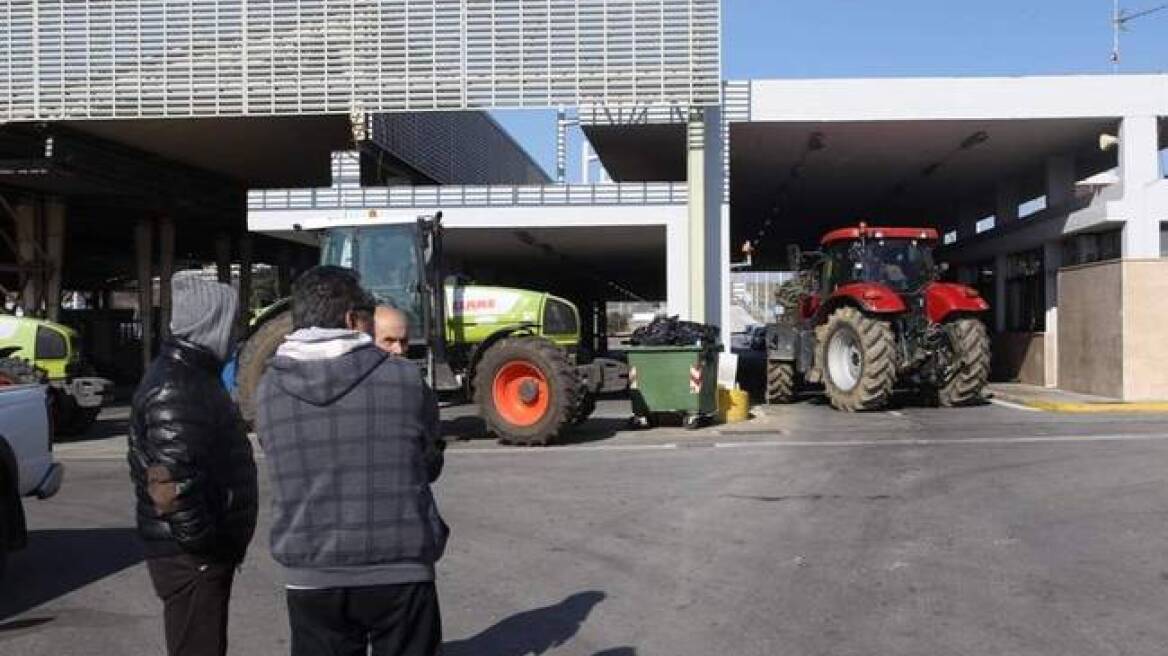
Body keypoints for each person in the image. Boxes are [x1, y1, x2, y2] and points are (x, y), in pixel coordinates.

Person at [255, 266, 447, 656]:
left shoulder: (267, 390)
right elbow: (428, 464)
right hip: (400, 564)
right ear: (350, 320)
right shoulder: (406, 380)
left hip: (311, 572)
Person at [127, 271, 259, 656]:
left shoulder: (193, 376)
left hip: (196, 555)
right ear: (212, 323)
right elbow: (171, 484)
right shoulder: (178, 386)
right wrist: (206, 547)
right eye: (231, 321)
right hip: (192, 559)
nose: (236, 333)